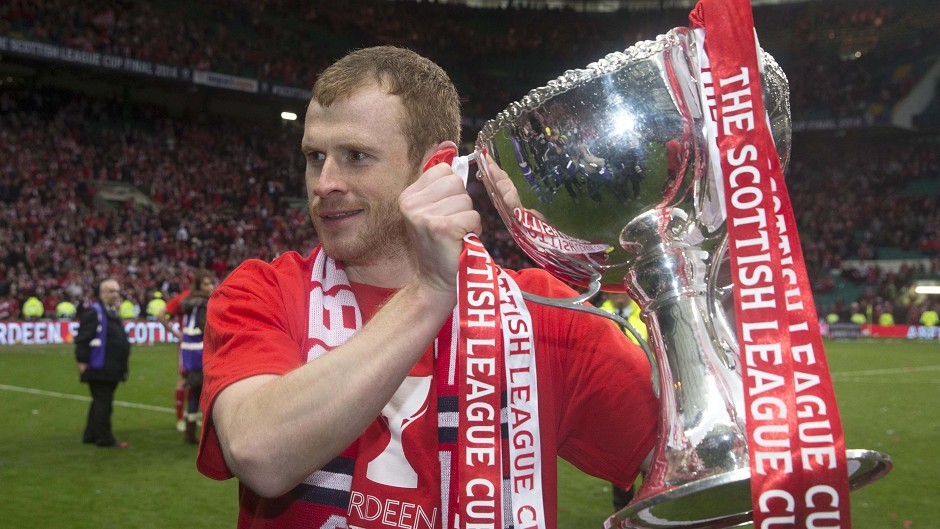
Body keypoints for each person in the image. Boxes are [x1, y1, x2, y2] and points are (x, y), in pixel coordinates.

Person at [196, 46, 658, 529]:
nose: (324, 183)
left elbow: (693, 465)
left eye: (356, 156)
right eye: (315, 157)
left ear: (436, 166)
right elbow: (260, 455)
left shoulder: (541, 317)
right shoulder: (260, 292)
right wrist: (429, 292)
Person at [74, 278, 131, 448]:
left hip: (110, 366)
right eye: (111, 291)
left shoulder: (109, 312)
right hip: (100, 367)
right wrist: (82, 361)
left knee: (99, 401)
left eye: (117, 291)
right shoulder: (95, 312)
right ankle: (104, 438)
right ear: (102, 293)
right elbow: (83, 339)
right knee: (103, 402)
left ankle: (90, 434)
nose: (115, 294)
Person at [179, 270, 216, 444]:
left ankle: (190, 432)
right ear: (200, 287)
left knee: (194, 394)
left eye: (211, 283)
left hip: (188, 354)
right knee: (206, 395)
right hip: (200, 353)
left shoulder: (190, 302)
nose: (211, 287)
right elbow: (205, 328)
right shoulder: (203, 303)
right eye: (207, 284)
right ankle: (206, 436)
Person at [157, 287, 192, 432]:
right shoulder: (184, 297)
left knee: (199, 383)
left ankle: (191, 417)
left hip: (205, 345)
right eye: (206, 283)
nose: (209, 287)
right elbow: (160, 315)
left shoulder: (209, 296)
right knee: (185, 380)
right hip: (188, 346)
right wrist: (176, 333)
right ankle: (180, 419)